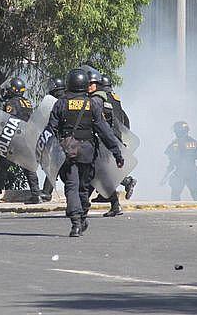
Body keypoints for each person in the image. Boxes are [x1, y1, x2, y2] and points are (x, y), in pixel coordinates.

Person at [41, 68, 124, 237]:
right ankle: (82, 216)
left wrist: (45, 151)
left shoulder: (60, 103)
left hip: (68, 151)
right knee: (83, 188)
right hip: (87, 152)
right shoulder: (92, 104)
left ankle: (76, 223)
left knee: (71, 186)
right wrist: (117, 153)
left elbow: (50, 129)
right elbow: (104, 130)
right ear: (85, 84)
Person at [0, 77, 42, 205]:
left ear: (13, 90)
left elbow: (10, 120)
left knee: (1, 167)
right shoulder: (27, 103)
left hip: (13, 140)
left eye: (8, 89)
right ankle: (36, 195)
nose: (6, 91)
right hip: (26, 139)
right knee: (29, 167)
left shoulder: (11, 103)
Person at [89, 74, 136, 217]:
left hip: (106, 136)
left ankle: (126, 182)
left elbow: (100, 119)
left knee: (100, 170)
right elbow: (124, 117)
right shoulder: (115, 98)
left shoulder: (100, 98)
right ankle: (96, 199)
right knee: (100, 170)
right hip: (115, 135)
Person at [40, 76, 66, 202]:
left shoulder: (57, 102)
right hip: (72, 141)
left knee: (53, 166)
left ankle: (46, 193)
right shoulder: (67, 99)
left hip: (61, 140)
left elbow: (53, 123)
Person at [164, 121, 197, 201]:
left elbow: (172, 161)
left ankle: (175, 209)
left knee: (175, 195)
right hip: (192, 172)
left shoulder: (175, 144)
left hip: (180, 173)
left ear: (178, 131)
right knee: (196, 194)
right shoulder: (193, 142)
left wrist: (166, 174)